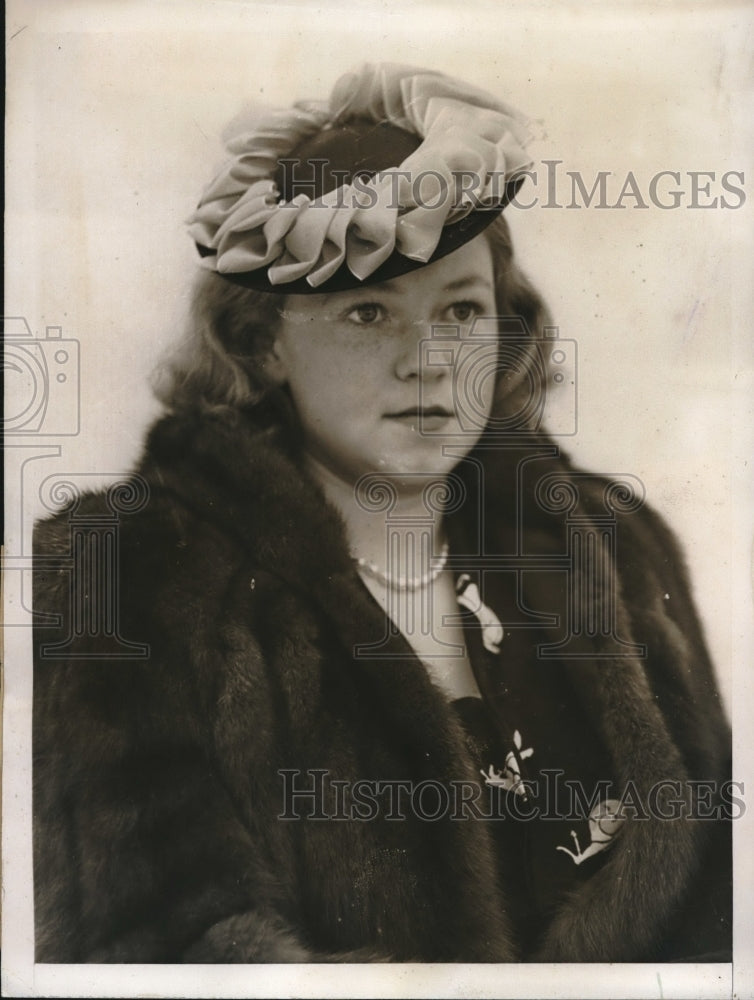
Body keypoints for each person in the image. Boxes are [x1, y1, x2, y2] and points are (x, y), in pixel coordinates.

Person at [32, 62, 732, 964]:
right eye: (368, 313)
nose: (431, 361)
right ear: (263, 341)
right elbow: (152, 948)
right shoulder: (129, 574)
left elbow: (722, 912)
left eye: (462, 310)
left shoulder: (609, 544)